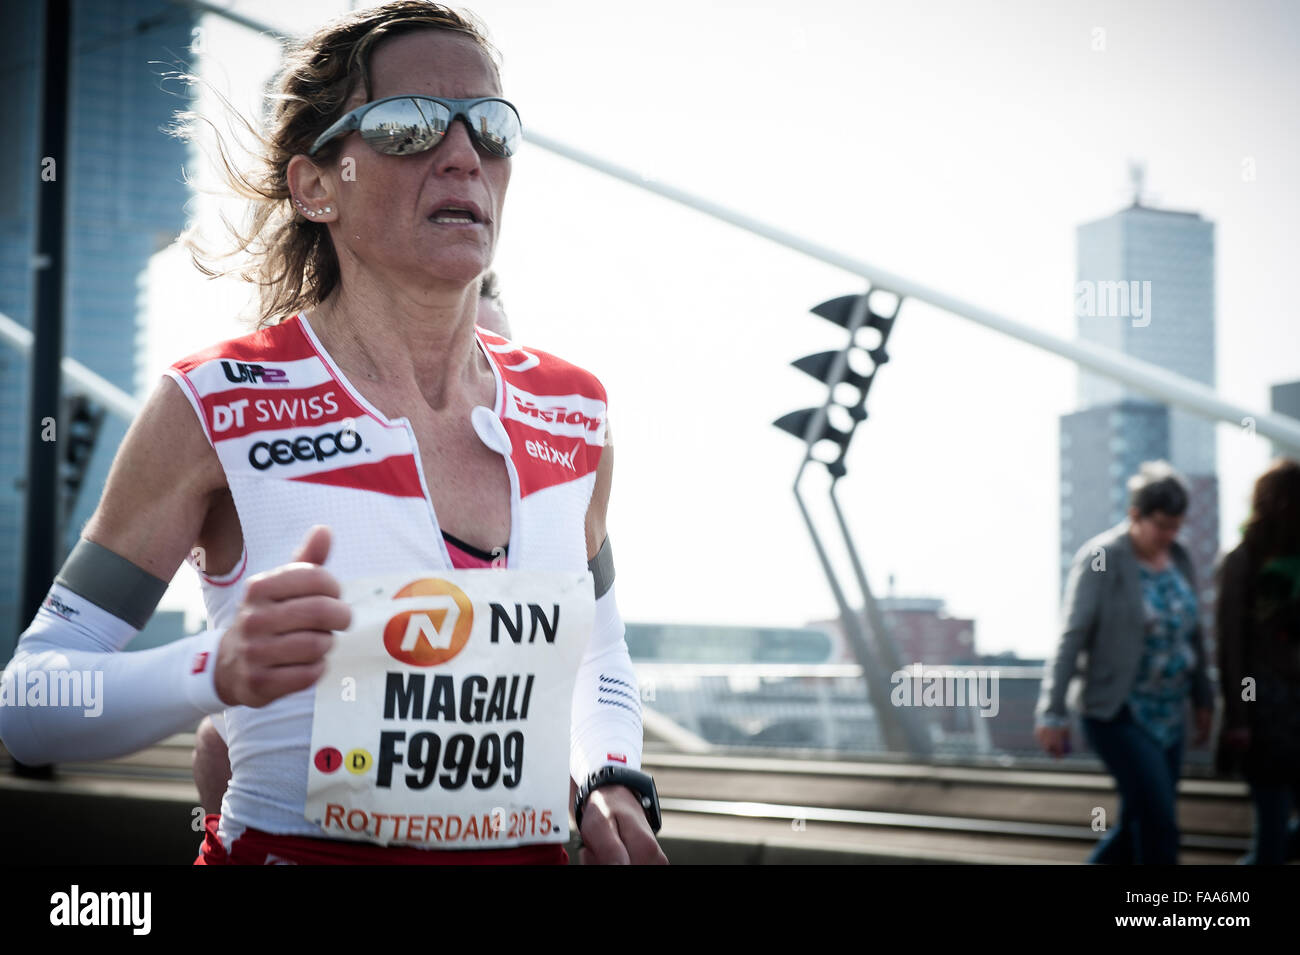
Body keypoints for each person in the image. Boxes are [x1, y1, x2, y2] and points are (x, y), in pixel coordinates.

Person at [0, 1, 666, 866]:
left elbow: (600, 650)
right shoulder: (215, 402)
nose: (463, 153)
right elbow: (30, 703)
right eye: (410, 125)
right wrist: (211, 668)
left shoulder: (575, 412)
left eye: (491, 127)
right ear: (316, 185)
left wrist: (611, 772)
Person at [1035, 461, 1214, 864]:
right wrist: (1052, 711)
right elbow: (1072, 635)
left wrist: (1204, 697)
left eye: (1177, 526)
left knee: (1138, 822)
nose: (1170, 536)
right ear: (1135, 516)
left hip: (1169, 714)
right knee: (1160, 824)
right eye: (1162, 525)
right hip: (1118, 712)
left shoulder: (1179, 557)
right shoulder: (1102, 558)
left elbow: (1194, 634)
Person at [1214, 458, 1300, 864]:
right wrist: (1237, 719)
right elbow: (1230, 645)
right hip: (1263, 716)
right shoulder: (1242, 560)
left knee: (1276, 838)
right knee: (1271, 837)